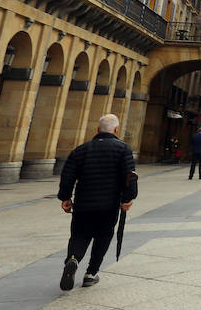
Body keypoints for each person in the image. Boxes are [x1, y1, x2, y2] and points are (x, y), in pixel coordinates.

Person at [57, 114, 137, 291]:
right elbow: (129, 176)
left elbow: (67, 175)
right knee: (103, 237)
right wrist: (128, 198)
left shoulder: (81, 149)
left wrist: (65, 197)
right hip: (108, 205)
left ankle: (73, 259)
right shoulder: (123, 149)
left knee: (79, 235)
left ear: (97, 129)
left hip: (83, 203)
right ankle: (91, 273)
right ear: (116, 130)